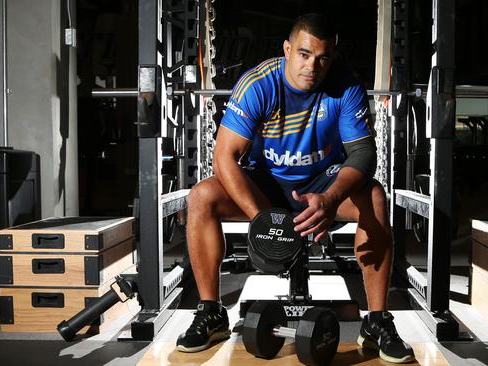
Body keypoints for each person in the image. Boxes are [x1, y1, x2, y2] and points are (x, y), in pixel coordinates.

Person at [176, 13, 415, 364]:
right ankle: (211, 311)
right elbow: (224, 156)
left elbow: (364, 154)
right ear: (288, 49)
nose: (312, 66)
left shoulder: (345, 85)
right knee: (202, 196)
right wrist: (264, 223)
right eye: (304, 54)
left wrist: (332, 198)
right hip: (267, 183)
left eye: (322, 57)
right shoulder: (259, 84)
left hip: (323, 183)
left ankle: (376, 321)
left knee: (374, 197)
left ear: (332, 56)